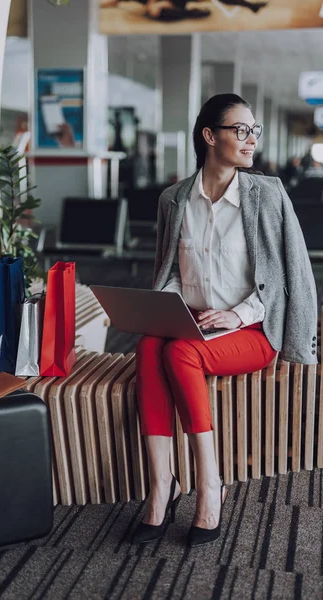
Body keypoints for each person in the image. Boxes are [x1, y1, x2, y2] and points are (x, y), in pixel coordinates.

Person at [132, 93, 318, 547]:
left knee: (180, 353)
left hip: (253, 329)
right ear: (210, 136)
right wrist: (171, 306)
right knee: (148, 346)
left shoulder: (267, 195)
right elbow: (170, 273)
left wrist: (235, 314)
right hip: (193, 322)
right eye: (241, 129)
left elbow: (284, 278)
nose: (251, 139)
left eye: (253, 130)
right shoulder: (175, 199)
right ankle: (163, 485)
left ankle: (209, 483)